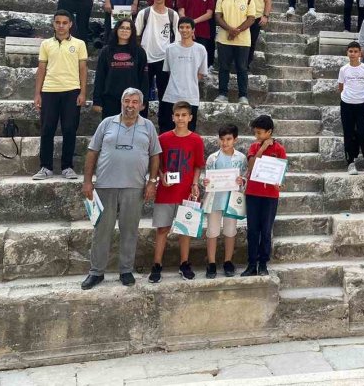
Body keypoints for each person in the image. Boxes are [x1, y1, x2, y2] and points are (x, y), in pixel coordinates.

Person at [80, 87, 161, 290]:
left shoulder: (148, 126)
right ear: (121, 102)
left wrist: (152, 182)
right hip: (106, 185)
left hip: (134, 187)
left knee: (130, 230)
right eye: (127, 101)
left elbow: (155, 155)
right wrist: (88, 181)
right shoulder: (107, 123)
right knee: (101, 230)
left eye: (134, 102)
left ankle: (126, 270)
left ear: (141, 105)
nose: (130, 105)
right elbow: (92, 152)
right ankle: (96, 272)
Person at [149, 101, 205, 283]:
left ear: (190, 117)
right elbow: (156, 163)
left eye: (184, 115)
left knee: (184, 230)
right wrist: (160, 175)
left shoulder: (196, 140)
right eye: (177, 115)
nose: (180, 118)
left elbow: (198, 166)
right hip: (166, 192)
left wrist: (195, 184)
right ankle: (156, 264)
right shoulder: (163, 138)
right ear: (172, 117)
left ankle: (184, 263)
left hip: (186, 193)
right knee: (162, 229)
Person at [32, 10, 88, 180]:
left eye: (65, 22)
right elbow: (41, 69)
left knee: (70, 129)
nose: (61, 26)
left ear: (70, 24)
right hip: (49, 91)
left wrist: (83, 92)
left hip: (72, 90)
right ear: (53, 24)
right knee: (47, 129)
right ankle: (46, 167)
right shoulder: (46, 44)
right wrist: (37, 94)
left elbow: (83, 69)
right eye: (58, 22)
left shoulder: (79, 44)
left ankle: (67, 167)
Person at [242, 114, 286, 277]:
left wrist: (279, 181)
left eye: (260, 133)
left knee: (266, 230)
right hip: (253, 193)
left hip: (270, 195)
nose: (257, 136)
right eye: (256, 133)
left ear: (269, 132)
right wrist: (262, 147)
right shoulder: (254, 147)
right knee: (252, 229)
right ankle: (251, 263)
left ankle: (263, 263)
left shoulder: (279, 149)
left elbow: (281, 171)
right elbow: (252, 166)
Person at [202, 124, 247, 279]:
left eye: (228, 139)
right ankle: (212, 262)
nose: (225, 143)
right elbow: (207, 177)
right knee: (212, 231)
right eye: (222, 139)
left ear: (235, 139)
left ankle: (228, 261)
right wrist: (206, 182)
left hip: (232, 201)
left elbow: (245, 176)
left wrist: (242, 180)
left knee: (230, 231)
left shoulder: (241, 158)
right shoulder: (212, 158)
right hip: (215, 200)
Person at [136, 0, 180, 111]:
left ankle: (165, 127)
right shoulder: (144, 13)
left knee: (165, 96)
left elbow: (177, 38)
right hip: (145, 58)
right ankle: (141, 124)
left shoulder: (173, 15)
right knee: (142, 95)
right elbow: (136, 35)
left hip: (165, 59)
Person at [214, 0, 257, 105]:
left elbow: (251, 19)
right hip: (223, 39)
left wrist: (236, 31)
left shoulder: (249, 0)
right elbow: (217, 16)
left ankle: (243, 96)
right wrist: (229, 29)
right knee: (224, 67)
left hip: (243, 41)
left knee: (242, 68)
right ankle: (222, 94)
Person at [92, 19, 148, 119]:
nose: (124, 30)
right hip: (110, 99)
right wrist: (97, 101)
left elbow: (144, 78)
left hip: (132, 101)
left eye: (128, 28)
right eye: (122, 27)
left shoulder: (139, 51)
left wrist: (143, 101)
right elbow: (100, 76)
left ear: (132, 31)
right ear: (116, 30)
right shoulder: (106, 51)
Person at [159, 17, 207, 132]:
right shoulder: (170, 49)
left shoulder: (200, 49)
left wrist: (189, 83)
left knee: (188, 132)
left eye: (187, 27)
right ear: (178, 29)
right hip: (171, 96)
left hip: (191, 97)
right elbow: (169, 70)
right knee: (168, 131)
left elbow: (201, 73)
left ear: (193, 30)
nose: (184, 30)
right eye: (181, 27)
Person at [337, 41, 364, 176]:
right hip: (347, 104)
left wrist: (363, 95)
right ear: (347, 53)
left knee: (363, 133)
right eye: (350, 51)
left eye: (355, 51)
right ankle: (351, 162)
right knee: (349, 133)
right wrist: (348, 96)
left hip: (362, 104)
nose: (353, 54)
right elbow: (340, 86)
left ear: (360, 53)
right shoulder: (343, 69)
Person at [178, 0, 217, 67]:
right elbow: (181, 11)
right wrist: (188, 27)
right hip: (185, 32)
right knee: (184, 61)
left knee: (198, 62)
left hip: (202, 32)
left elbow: (209, 14)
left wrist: (192, 23)